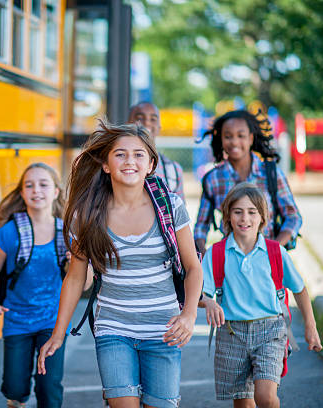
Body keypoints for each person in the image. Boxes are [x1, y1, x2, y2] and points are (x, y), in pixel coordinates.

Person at [37, 120, 203, 408]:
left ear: (151, 164)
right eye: (120, 154)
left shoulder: (170, 207)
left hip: (163, 330)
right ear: (106, 164)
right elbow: (76, 278)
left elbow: (193, 267)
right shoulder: (87, 215)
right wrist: (58, 333)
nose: (130, 161)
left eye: (139, 154)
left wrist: (188, 315)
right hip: (113, 329)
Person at [202, 182, 322, 407]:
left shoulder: (276, 252)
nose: (244, 219)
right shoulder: (216, 253)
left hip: (270, 330)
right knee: (243, 402)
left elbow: (299, 289)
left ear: (263, 217)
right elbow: (202, 293)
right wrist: (208, 302)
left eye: (251, 212)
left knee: (265, 397)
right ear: (227, 216)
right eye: (237, 212)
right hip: (231, 332)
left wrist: (311, 326)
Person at [0, 163, 69, 408]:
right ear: (21, 193)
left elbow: (82, 284)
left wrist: (75, 263)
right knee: (15, 386)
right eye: (29, 185)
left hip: (53, 322)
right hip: (17, 320)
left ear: (56, 192)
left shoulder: (67, 233)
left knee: (49, 388)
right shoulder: (11, 232)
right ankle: (16, 401)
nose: (36, 190)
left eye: (43, 184)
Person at [194, 109, 302, 255]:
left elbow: (293, 216)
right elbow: (201, 227)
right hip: (230, 263)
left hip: (268, 262)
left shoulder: (271, 174)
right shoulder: (213, 179)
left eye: (241, 135)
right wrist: (204, 255)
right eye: (228, 136)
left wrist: (274, 249)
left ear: (251, 138)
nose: (234, 141)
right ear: (221, 139)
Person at [128, 101, 185, 200]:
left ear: (159, 127)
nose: (147, 122)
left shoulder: (173, 170)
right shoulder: (117, 165)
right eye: (140, 118)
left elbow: (179, 213)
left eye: (153, 119)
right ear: (127, 123)